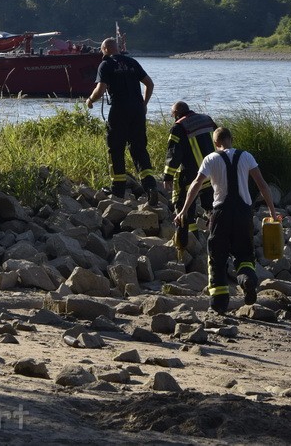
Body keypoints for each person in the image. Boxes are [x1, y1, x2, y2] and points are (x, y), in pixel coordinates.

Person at [174, 127, 277, 314]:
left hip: (220, 213)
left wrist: (184, 210)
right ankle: (247, 280)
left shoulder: (211, 159)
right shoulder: (246, 156)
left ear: (215, 143)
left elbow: (196, 184)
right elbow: (262, 185)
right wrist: (272, 212)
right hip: (244, 213)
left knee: (216, 256)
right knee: (244, 254)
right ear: (232, 139)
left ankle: (219, 302)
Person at [85, 37, 159, 205]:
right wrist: (144, 105)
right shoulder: (132, 62)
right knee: (139, 148)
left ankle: (118, 191)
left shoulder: (105, 64)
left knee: (116, 148)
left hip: (119, 109)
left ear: (104, 49)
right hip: (137, 110)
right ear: (117, 48)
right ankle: (150, 186)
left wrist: (90, 100)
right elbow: (150, 83)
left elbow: (101, 89)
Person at [163, 101, 217, 263]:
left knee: (183, 209)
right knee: (212, 208)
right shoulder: (207, 120)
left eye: (173, 115)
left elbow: (174, 154)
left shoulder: (178, 127)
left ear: (177, 114)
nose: (173, 119)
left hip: (191, 177)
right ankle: (217, 239)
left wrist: (168, 176)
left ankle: (183, 246)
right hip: (212, 175)